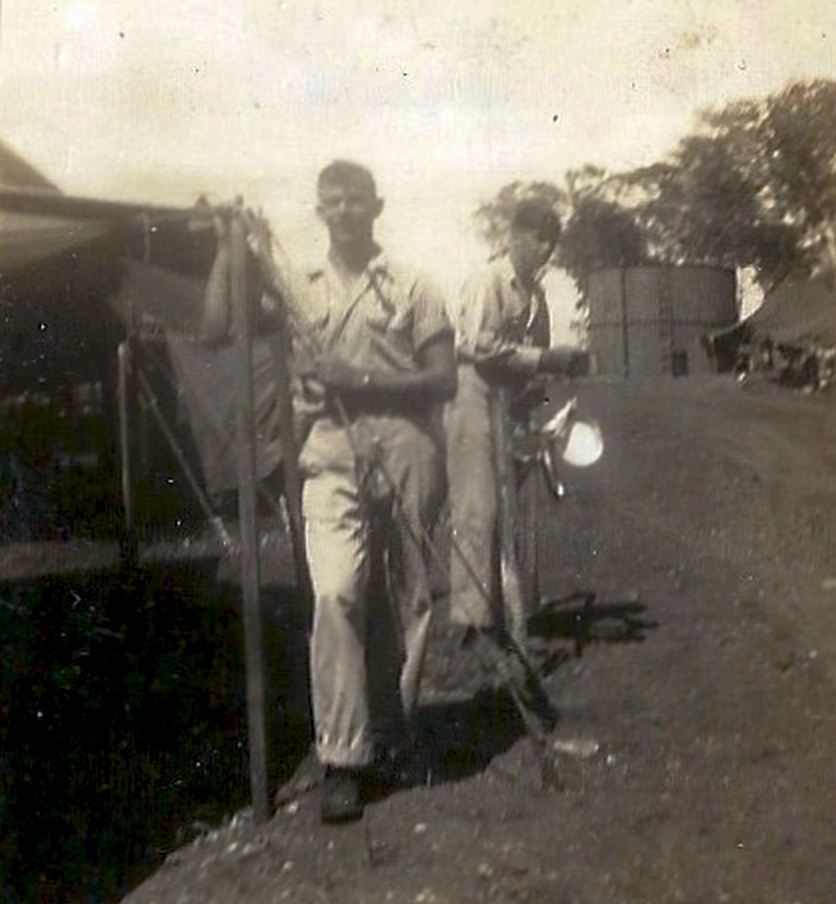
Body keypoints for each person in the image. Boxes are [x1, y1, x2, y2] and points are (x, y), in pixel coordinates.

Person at [248, 160, 456, 823]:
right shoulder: (294, 290)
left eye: (355, 201)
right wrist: (234, 246)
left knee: (408, 598)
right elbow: (225, 318)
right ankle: (342, 757)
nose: (344, 212)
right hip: (330, 454)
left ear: (377, 205)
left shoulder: (415, 286)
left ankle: (392, 733)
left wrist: (359, 380)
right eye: (332, 203)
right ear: (319, 212)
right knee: (337, 593)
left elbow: (445, 379)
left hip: (406, 450)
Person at [445, 197, 587, 640]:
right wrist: (545, 357)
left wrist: (546, 377)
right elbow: (480, 347)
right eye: (536, 239)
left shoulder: (537, 295)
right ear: (515, 239)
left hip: (508, 400)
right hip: (472, 391)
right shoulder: (488, 281)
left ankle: (507, 606)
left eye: (551, 241)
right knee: (477, 506)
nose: (544, 249)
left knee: (511, 505)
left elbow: (535, 361)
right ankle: (473, 620)